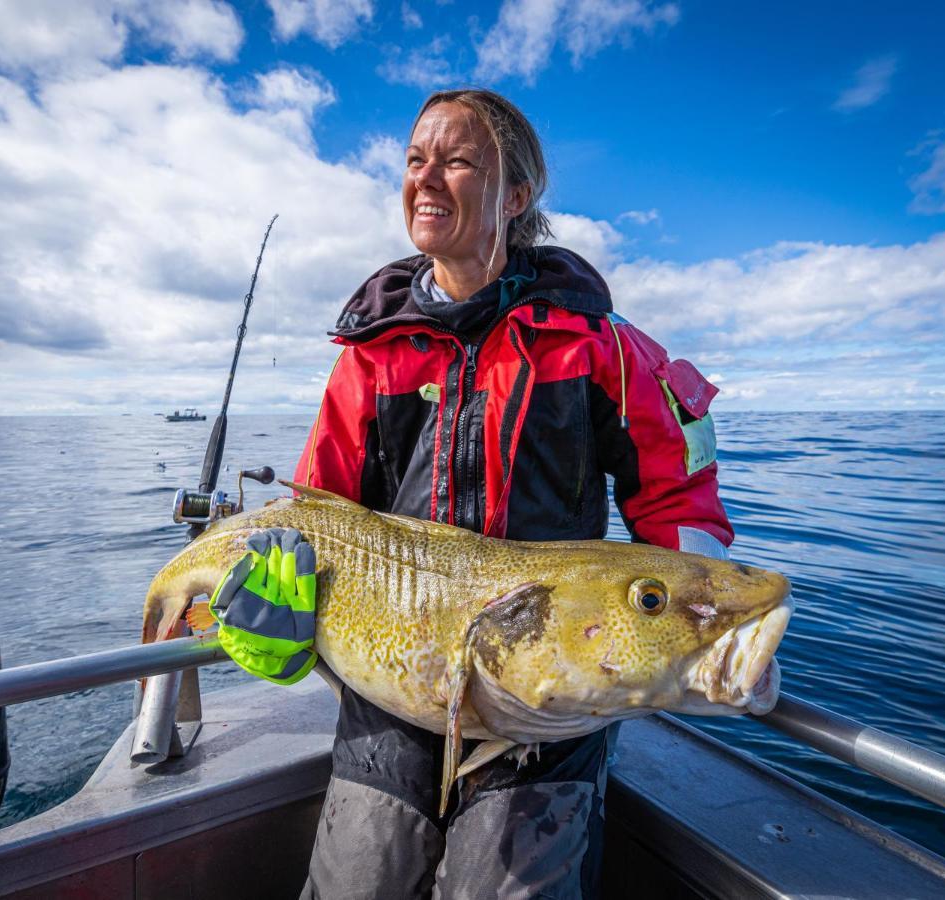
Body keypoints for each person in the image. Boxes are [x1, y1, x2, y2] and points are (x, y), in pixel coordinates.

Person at [213, 89, 733, 898]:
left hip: (543, 711)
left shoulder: (599, 344)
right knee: (359, 880)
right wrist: (277, 604)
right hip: (389, 697)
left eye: (456, 161)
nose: (427, 179)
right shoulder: (369, 355)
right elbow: (319, 513)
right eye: (416, 160)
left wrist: (695, 631)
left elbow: (677, 498)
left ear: (515, 196)